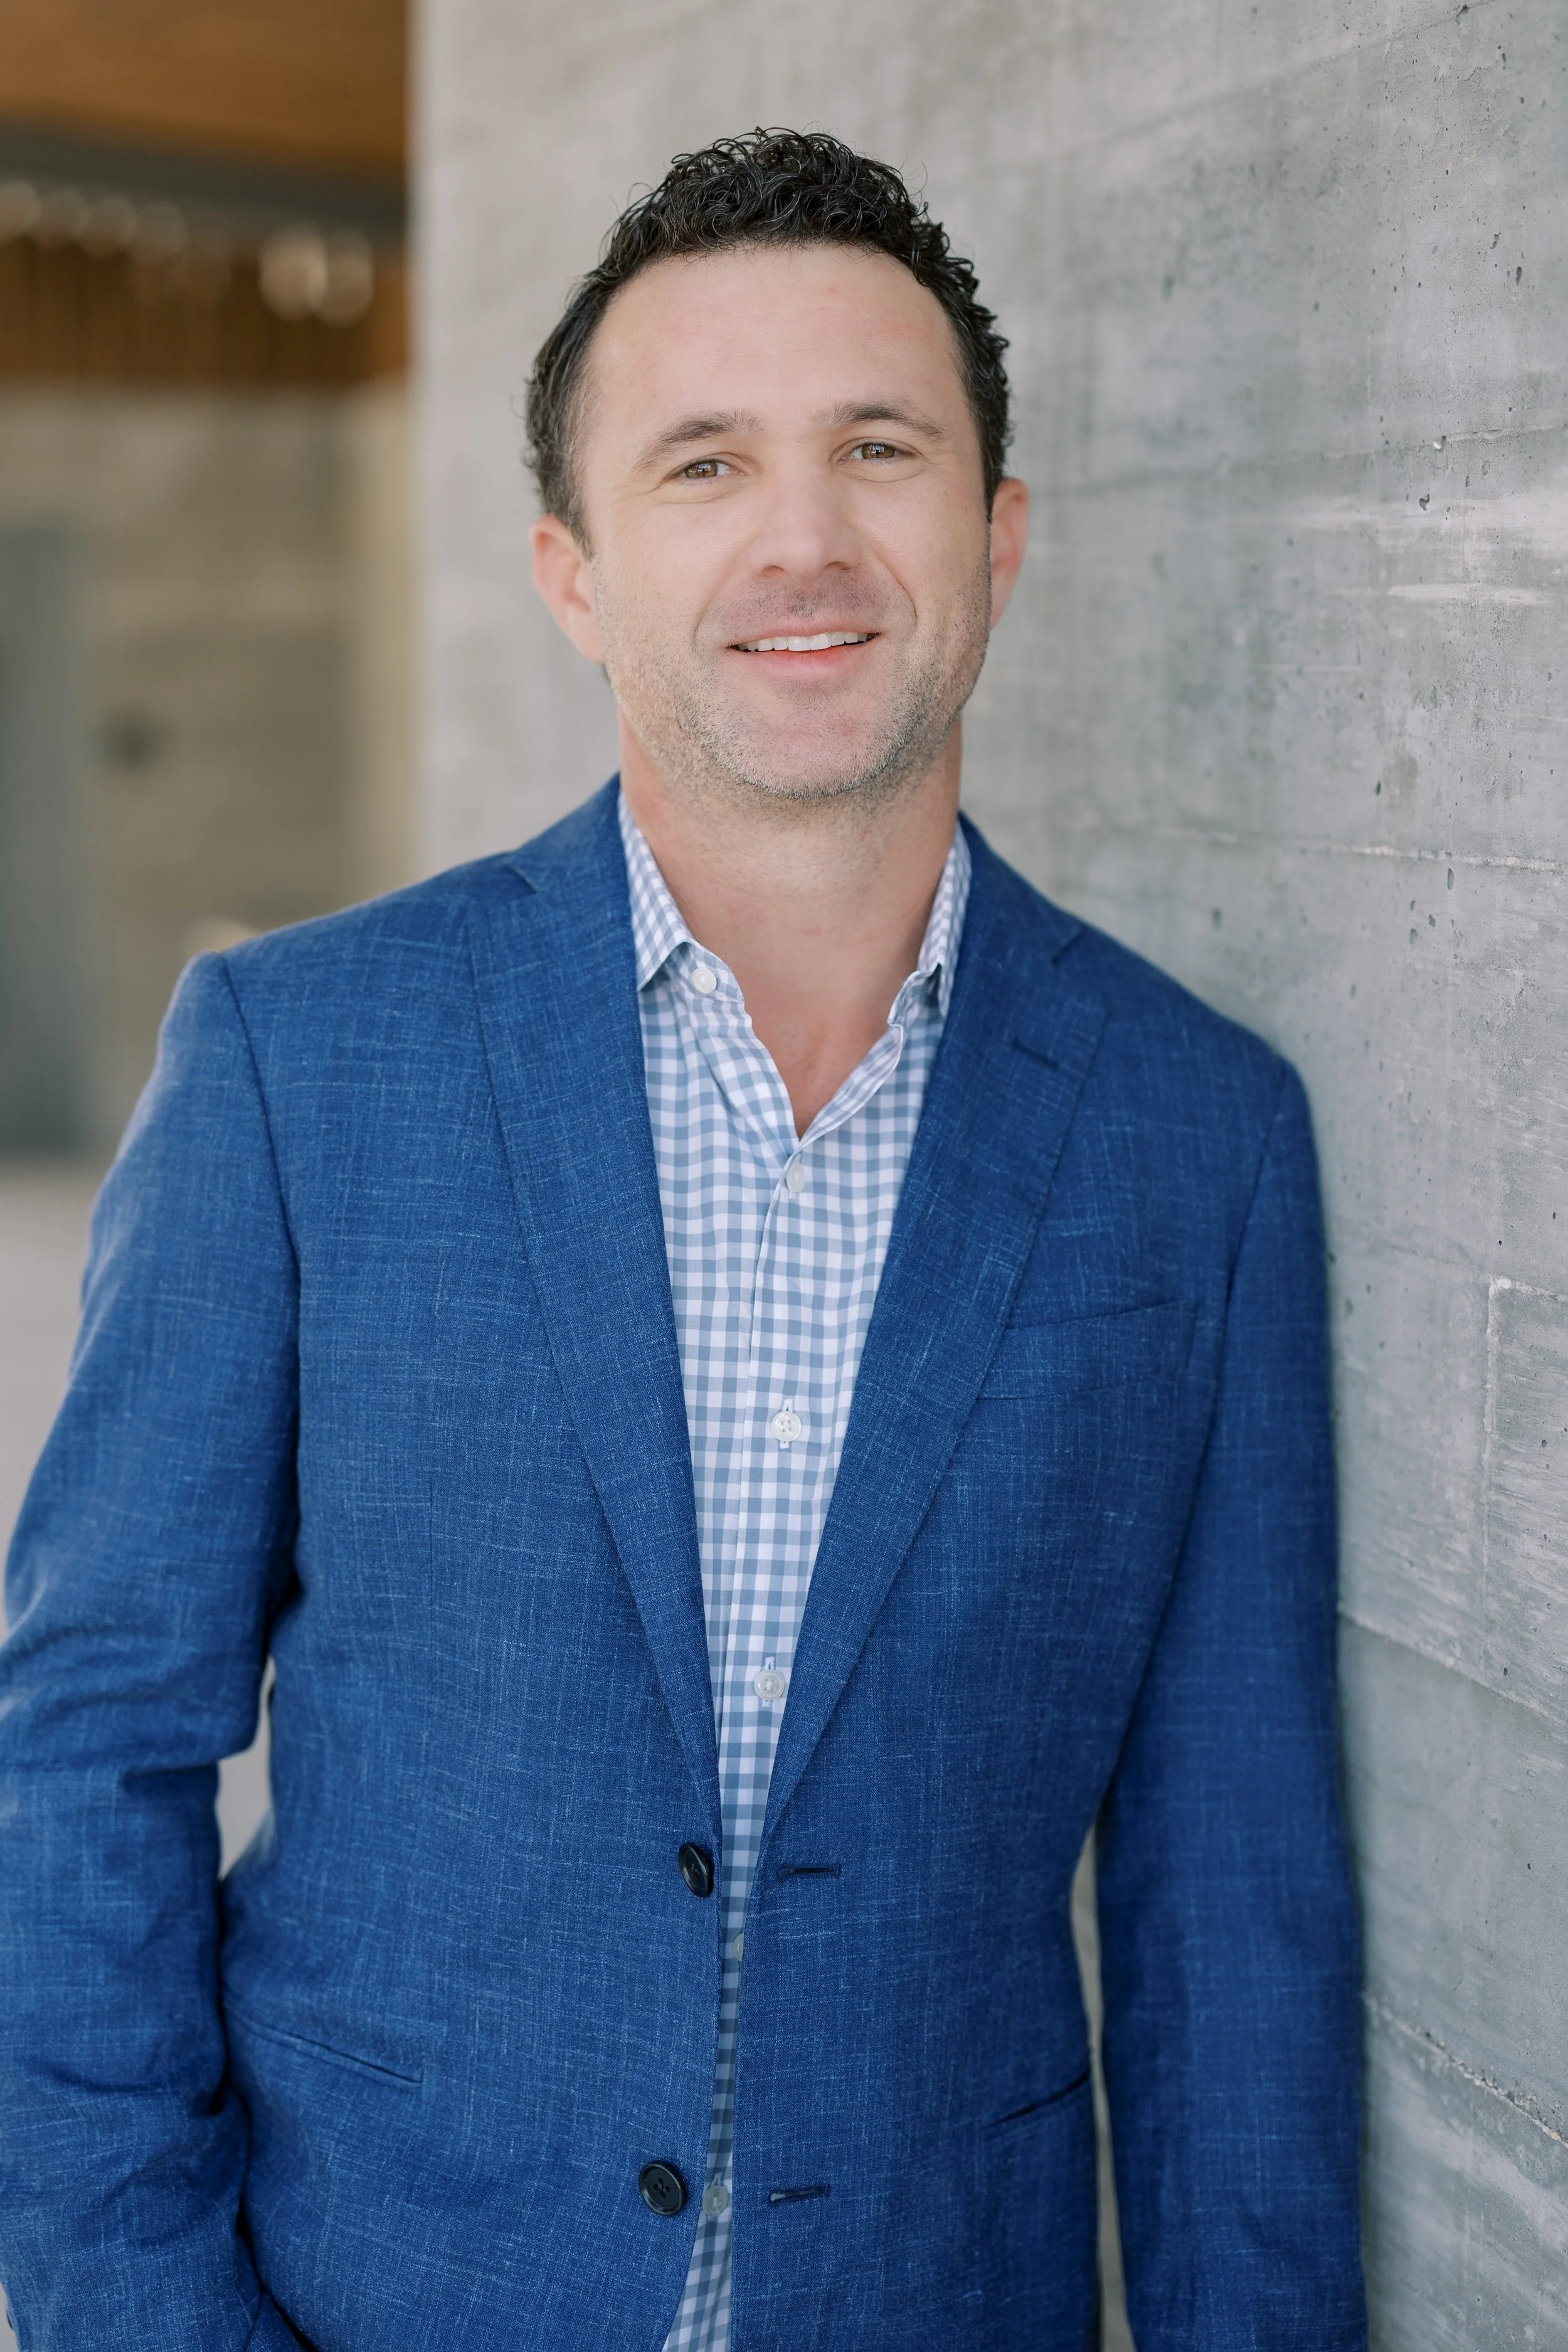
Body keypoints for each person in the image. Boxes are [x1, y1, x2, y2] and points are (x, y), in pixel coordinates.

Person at [0, 129, 1365, 2351]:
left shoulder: (1194, 1140)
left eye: (880, 447)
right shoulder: (294, 1059)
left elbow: (1234, 1913)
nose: (803, 534)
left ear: (996, 539)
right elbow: (83, 1743)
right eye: (704, 462)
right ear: (572, 569)